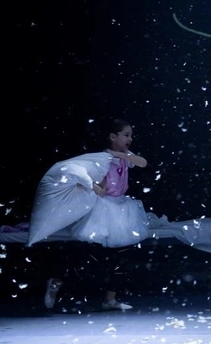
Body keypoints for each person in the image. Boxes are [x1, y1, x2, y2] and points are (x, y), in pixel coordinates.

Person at [42, 119, 148, 311]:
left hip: (122, 208)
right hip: (104, 209)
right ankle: (57, 281)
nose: (130, 139)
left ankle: (110, 299)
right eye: (126, 135)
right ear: (113, 137)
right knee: (92, 256)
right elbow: (98, 185)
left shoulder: (125, 156)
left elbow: (143, 163)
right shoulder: (102, 159)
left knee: (122, 256)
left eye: (131, 135)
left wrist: (121, 155)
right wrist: (96, 186)